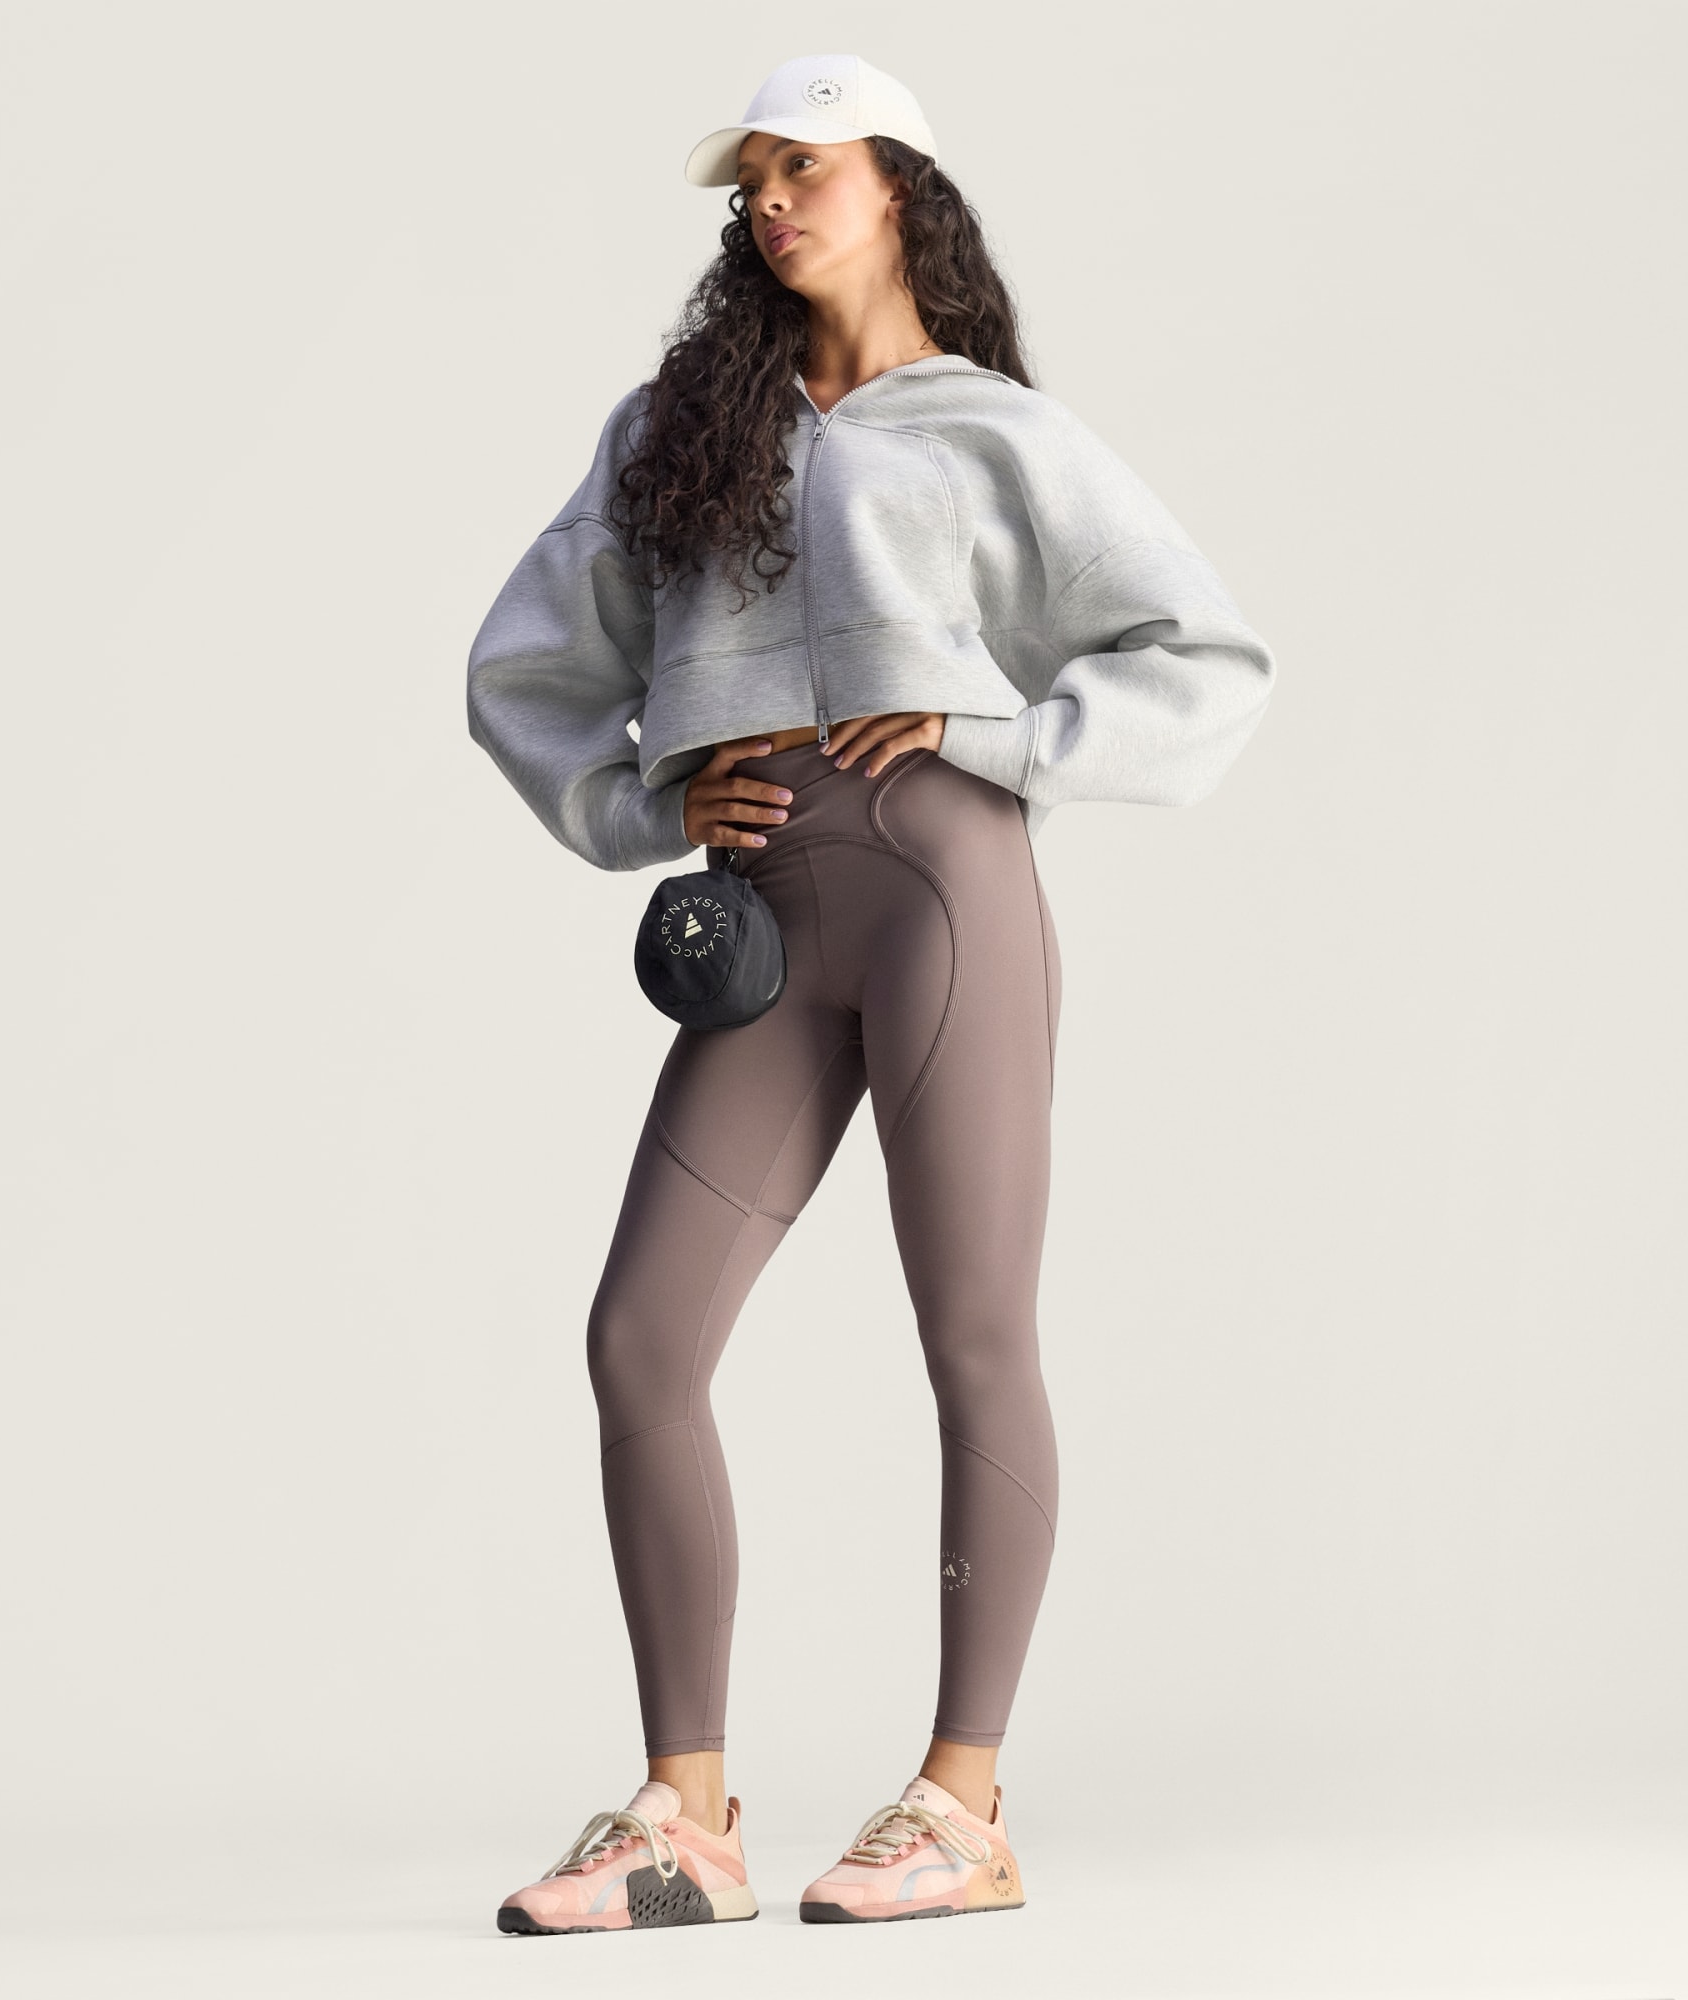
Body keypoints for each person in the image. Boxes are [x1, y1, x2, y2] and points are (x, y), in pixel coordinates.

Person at [467, 52, 1276, 1934]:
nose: (767, 198)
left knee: (974, 1335)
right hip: (762, 922)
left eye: (804, 165)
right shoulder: (678, 430)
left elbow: (1208, 654)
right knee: (641, 1342)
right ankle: (685, 1822)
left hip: (943, 897)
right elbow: (524, 669)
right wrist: (651, 801)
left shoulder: (992, 433)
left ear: (900, 182)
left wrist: (1006, 736)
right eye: (748, 176)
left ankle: (962, 1808)